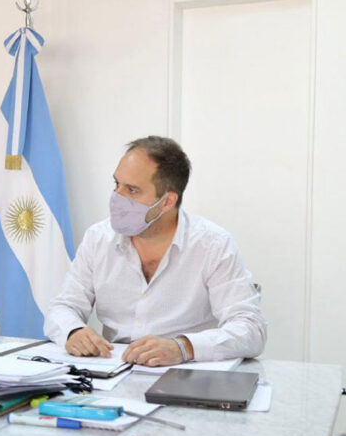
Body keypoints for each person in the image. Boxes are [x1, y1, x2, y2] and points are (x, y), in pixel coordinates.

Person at [44, 136, 267, 367]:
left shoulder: (213, 245)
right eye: (116, 184)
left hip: (186, 373)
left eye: (132, 190)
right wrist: (73, 331)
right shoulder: (98, 238)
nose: (117, 197)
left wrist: (182, 347)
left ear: (167, 202)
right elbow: (63, 307)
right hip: (112, 371)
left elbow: (251, 329)